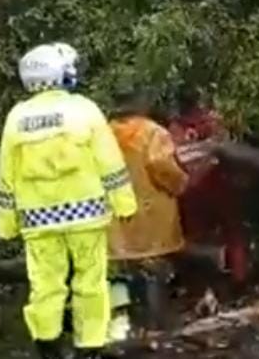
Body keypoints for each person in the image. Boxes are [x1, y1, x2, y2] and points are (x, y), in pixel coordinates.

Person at [0, 42, 138, 359]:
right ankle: (90, 348)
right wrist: (124, 203)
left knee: (45, 285)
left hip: (37, 221)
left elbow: (7, 176)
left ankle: (47, 347)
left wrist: (6, 224)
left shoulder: (16, 118)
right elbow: (109, 162)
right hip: (85, 214)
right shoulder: (84, 109)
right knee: (90, 281)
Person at [104, 90, 190, 340]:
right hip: (151, 215)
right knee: (155, 270)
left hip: (116, 215)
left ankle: (126, 326)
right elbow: (161, 165)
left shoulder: (102, 134)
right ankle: (157, 326)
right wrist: (181, 183)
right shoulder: (152, 133)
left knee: (123, 270)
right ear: (140, 103)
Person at [169, 88, 251, 290]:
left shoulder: (174, 127)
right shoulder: (213, 120)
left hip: (189, 186)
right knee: (232, 228)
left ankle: (200, 284)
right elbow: (228, 147)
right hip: (217, 180)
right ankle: (238, 278)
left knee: (194, 236)